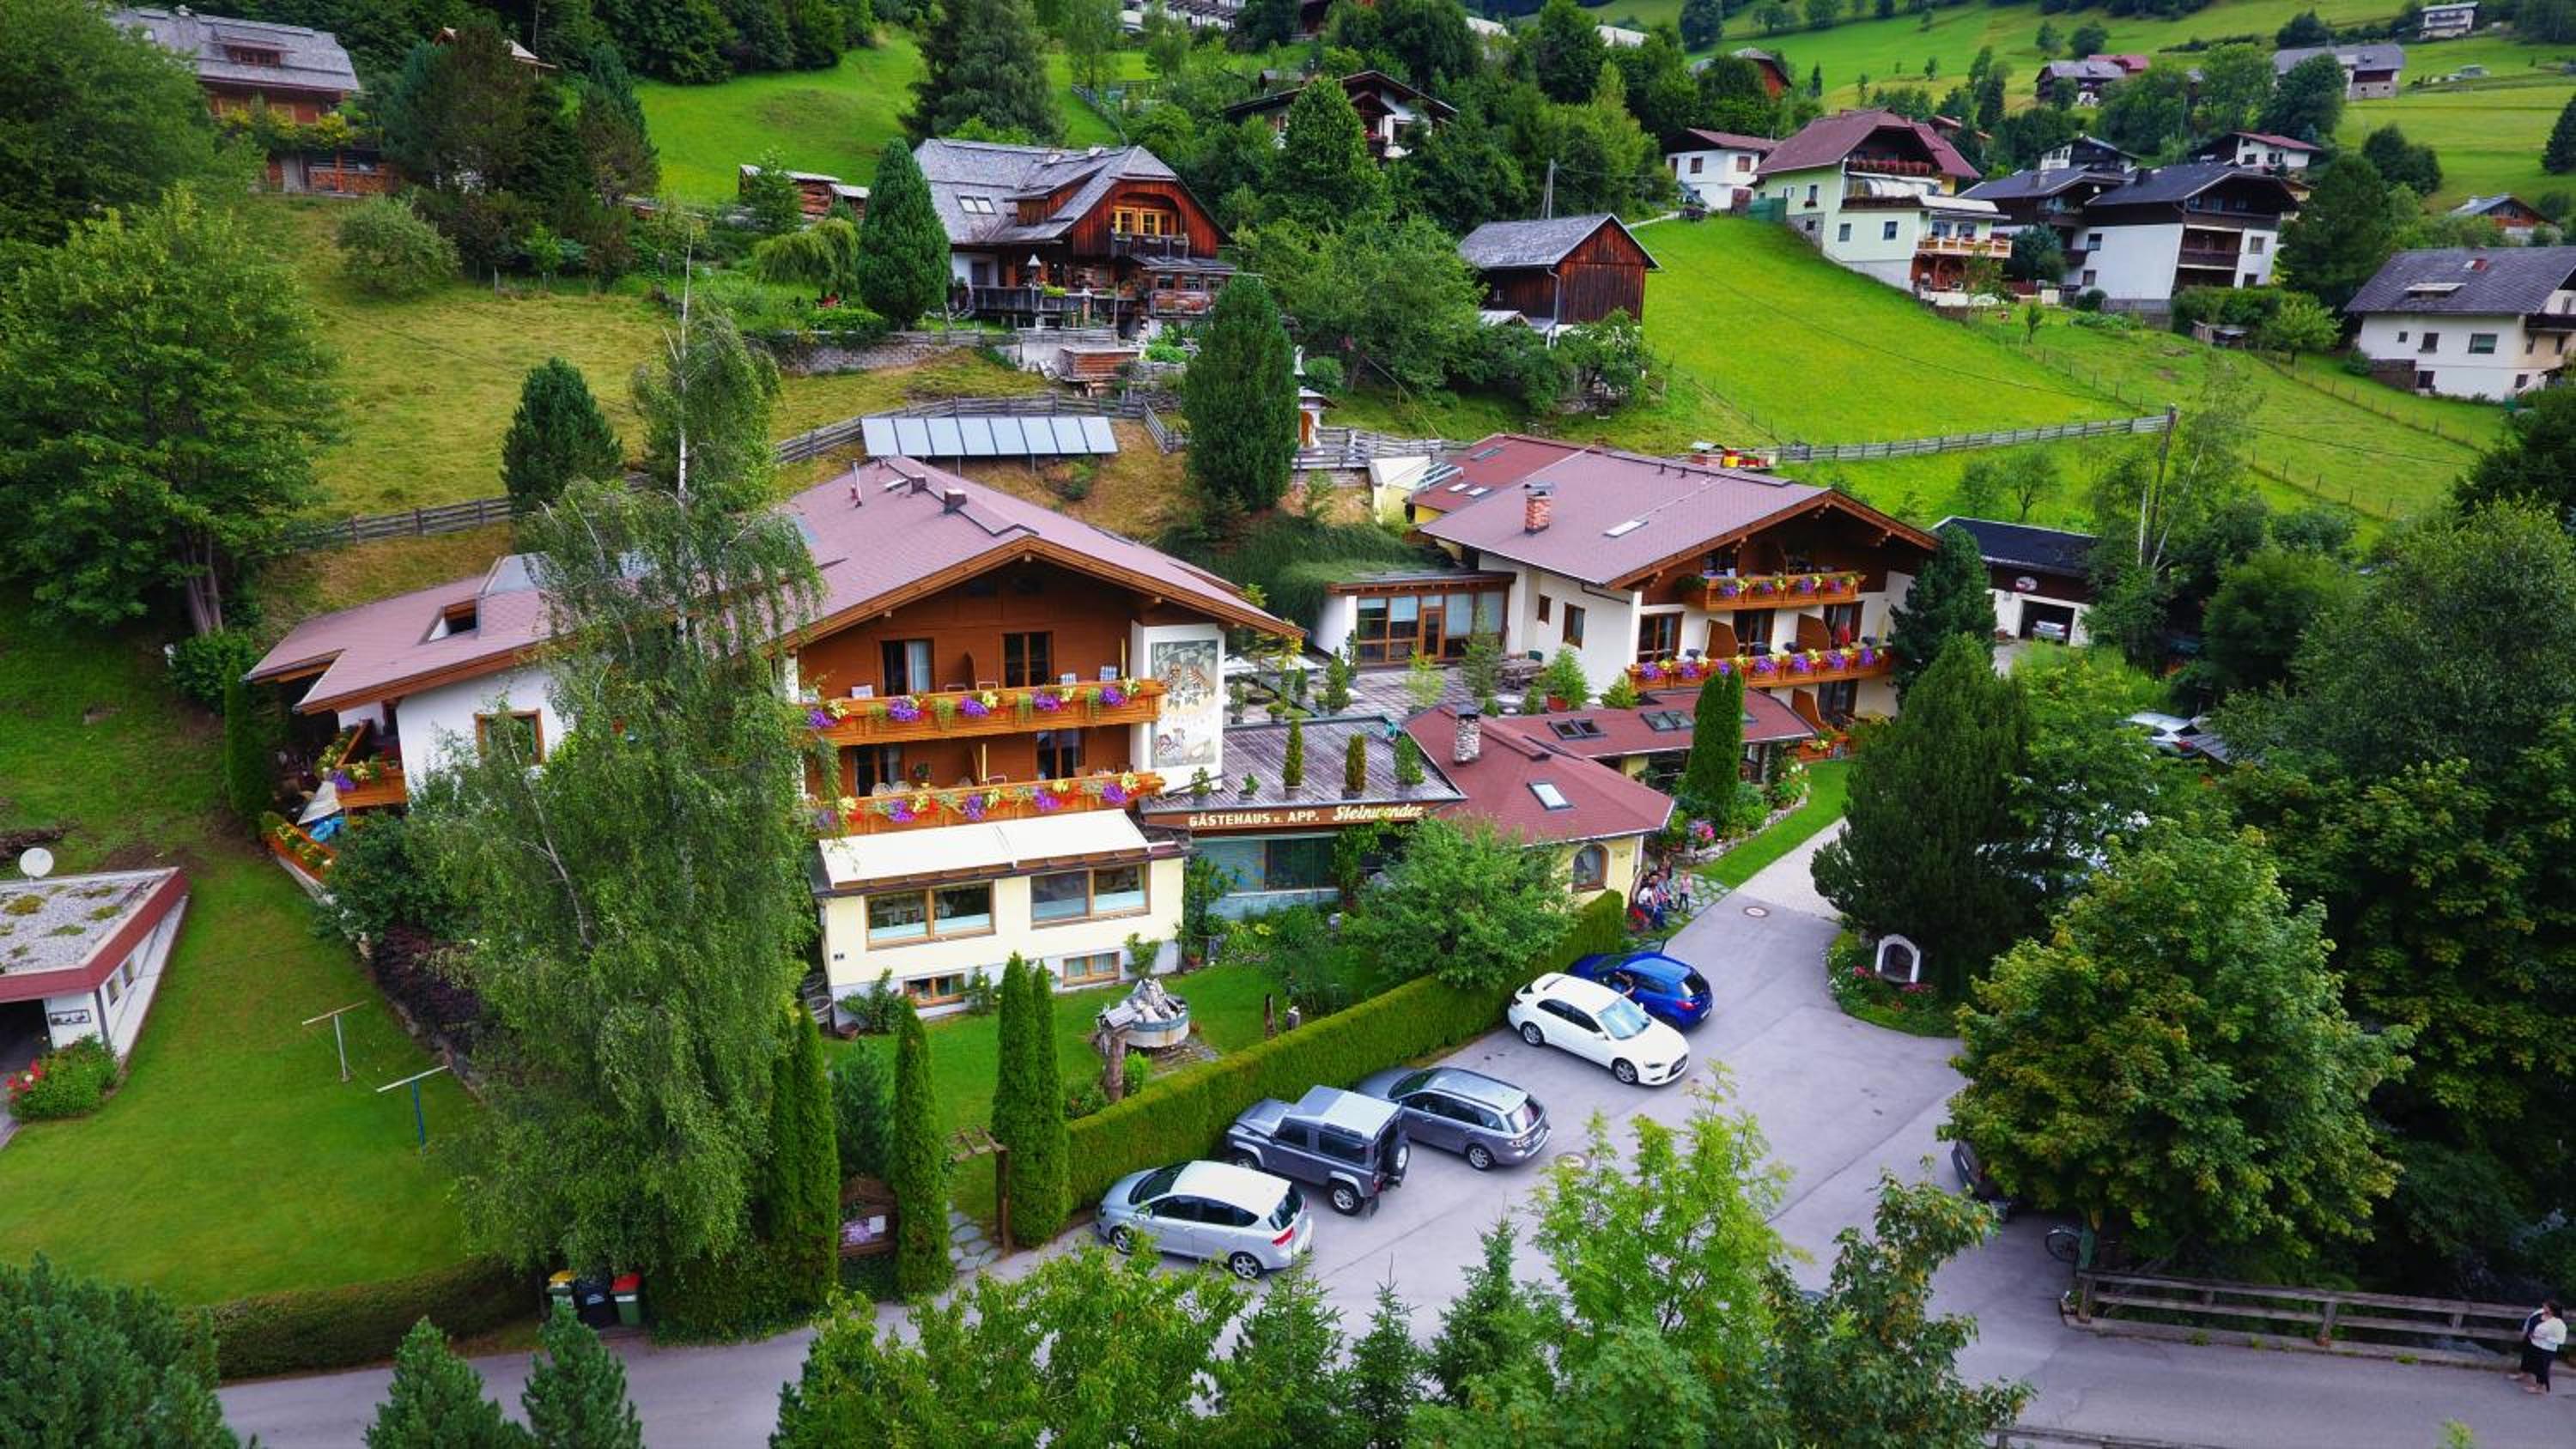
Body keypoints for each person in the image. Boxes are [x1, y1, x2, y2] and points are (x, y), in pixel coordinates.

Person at [2512, 1300, 2565, 1393]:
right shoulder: (2539, 1313)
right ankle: (2527, 1376)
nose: (2543, 1306)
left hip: (2546, 1348)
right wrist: (2529, 1333)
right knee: (2532, 1362)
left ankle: (2540, 1388)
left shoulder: (2558, 1323)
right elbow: (2530, 1321)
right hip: (2535, 1344)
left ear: (2551, 1310)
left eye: (2546, 1306)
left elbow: (2561, 1340)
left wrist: (2545, 1338)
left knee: (2542, 1368)